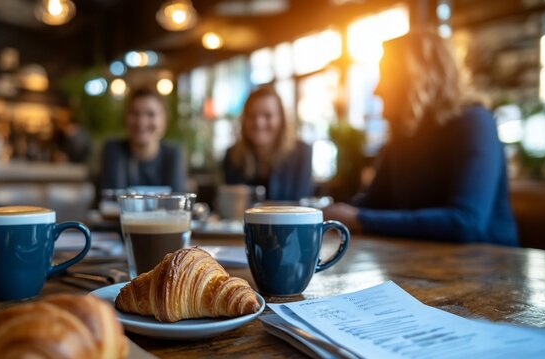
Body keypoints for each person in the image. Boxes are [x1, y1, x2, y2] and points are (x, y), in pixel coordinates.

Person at [324, 30, 518, 246]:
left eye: (386, 77)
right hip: (425, 266)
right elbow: (373, 204)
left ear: (417, 78)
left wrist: (357, 219)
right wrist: (325, 213)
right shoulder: (404, 134)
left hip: (489, 270)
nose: (376, 90)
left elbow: (465, 223)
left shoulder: (474, 122)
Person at [222, 87, 313, 201]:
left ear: (281, 119)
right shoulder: (232, 156)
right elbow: (230, 205)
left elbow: (300, 204)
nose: (259, 123)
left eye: (267, 115)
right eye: (252, 116)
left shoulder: (301, 152)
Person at [99, 87, 187, 192]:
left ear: (164, 120)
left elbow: (176, 202)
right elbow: (112, 200)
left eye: (151, 114)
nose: (141, 122)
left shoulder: (173, 154)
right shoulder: (113, 150)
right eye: (134, 113)